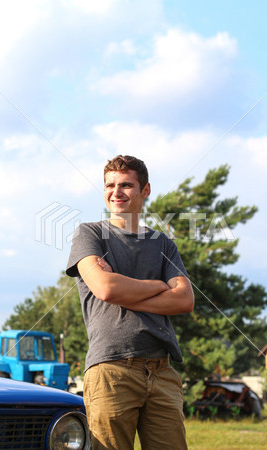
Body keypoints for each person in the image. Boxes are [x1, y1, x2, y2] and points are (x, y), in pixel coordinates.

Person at [66, 155, 194, 449]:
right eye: (110, 185)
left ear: (145, 190)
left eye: (126, 185)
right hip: (111, 368)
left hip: (162, 371)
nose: (116, 192)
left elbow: (185, 300)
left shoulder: (163, 244)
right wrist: (160, 285)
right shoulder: (90, 234)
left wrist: (128, 290)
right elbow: (107, 289)